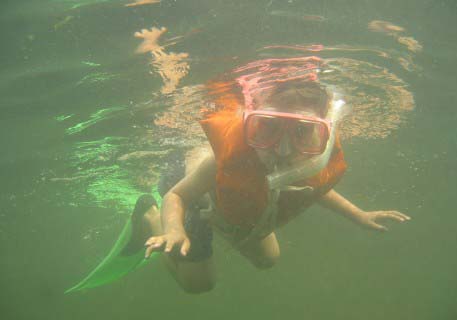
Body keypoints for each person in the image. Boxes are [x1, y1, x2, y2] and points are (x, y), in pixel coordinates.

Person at [131, 80, 410, 294]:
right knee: (199, 285)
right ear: (253, 122)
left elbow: (315, 189)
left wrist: (359, 215)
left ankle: (217, 227)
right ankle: (150, 218)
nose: (283, 147)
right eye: (269, 127)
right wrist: (174, 229)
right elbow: (177, 195)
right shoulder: (224, 161)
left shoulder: (299, 160)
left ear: (320, 132)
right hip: (196, 202)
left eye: (301, 131)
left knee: (268, 260)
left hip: (234, 212)